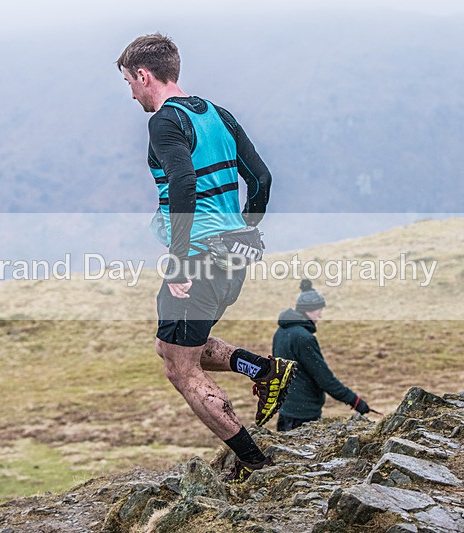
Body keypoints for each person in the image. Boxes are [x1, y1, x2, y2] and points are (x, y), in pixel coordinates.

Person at [116, 33, 295, 483]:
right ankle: (264, 369)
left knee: (181, 367)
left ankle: (256, 466)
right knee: (171, 345)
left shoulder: (163, 122)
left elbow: (183, 186)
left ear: (144, 75)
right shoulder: (220, 114)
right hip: (233, 256)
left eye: (128, 82)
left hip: (198, 258)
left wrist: (178, 259)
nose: (130, 93)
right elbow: (262, 178)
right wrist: (246, 230)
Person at [273, 280, 372, 431]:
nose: (320, 315)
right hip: (303, 415)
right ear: (308, 310)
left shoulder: (281, 332)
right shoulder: (303, 337)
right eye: (318, 310)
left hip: (286, 409)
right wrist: (356, 401)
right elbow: (324, 379)